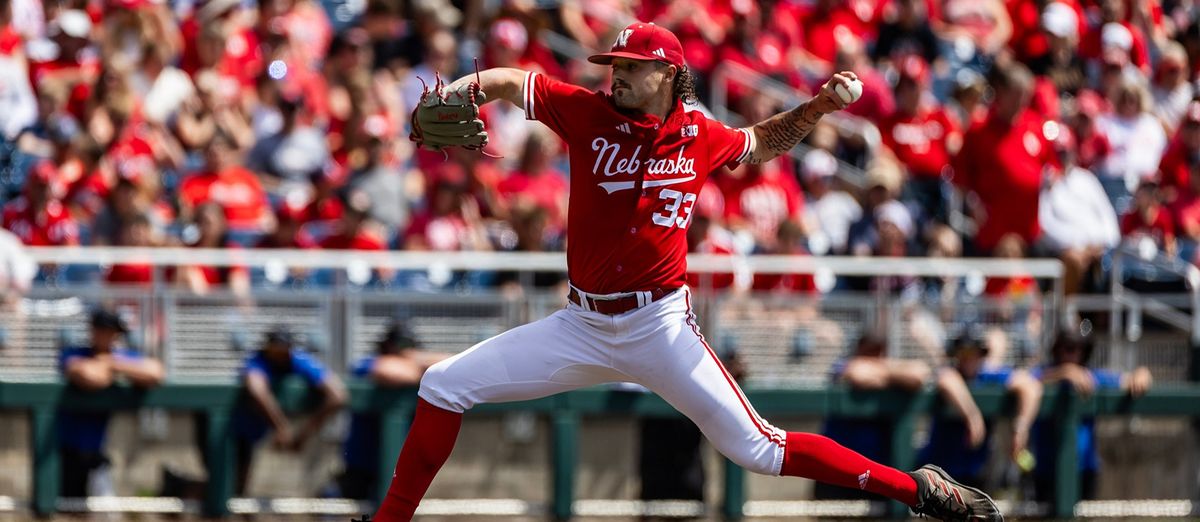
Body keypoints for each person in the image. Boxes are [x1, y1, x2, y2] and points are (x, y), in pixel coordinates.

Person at [360, 21, 1003, 522]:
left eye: (630, 67)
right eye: (613, 65)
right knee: (443, 384)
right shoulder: (585, 112)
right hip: (580, 325)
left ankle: (917, 489)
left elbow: (759, 143)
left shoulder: (698, 132)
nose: (616, 75)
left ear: (667, 73)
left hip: (659, 326)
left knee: (759, 449)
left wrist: (814, 109)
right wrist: (455, 94)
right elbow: (508, 80)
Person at [1031, 327, 1152, 502]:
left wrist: (1142, 374)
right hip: (1047, 470)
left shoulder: (1089, 376)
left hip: (1084, 470)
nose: (1072, 354)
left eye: (1079, 349)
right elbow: (1025, 381)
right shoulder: (1044, 373)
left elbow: (1129, 380)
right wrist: (1064, 372)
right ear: (1057, 349)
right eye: (1068, 348)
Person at [58, 309, 165, 497]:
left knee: (104, 508)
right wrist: (115, 369)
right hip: (65, 450)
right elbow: (90, 377)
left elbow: (156, 372)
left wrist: (112, 364)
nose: (110, 336)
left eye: (113, 332)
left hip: (99, 453)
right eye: (105, 331)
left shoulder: (117, 357)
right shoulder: (74, 352)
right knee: (66, 506)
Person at [229, 326, 347, 495]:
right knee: (232, 484)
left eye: (284, 349)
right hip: (237, 430)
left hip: (283, 433)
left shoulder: (297, 359)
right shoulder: (257, 360)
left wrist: (303, 433)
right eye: (276, 348)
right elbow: (256, 389)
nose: (280, 354)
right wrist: (282, 428)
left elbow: (338, 395)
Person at [338, 322, 449, 500]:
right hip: (362, 465)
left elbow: (451, 366)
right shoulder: (367, 364)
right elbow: (389, 372)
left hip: (402, 467)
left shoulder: (416, 363)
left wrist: (414, 359)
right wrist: (424, 371)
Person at [919, 333, 1042, 490]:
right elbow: (946, 379)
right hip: (938, 476)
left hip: (975, 475)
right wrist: (972, 416)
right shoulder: (950, 373)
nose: (968, 358)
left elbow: (1030, 386)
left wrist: (1021, 428)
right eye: (963, 353)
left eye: (973, 353)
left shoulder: (987, 377)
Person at [815, 333, 930, 501]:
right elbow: (857, 374)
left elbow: (918, 375)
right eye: (869, 353)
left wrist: (882, 374)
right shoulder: (842, 366)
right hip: (836, 471)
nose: (874, 358)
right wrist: (893, 379)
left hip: (875, 473)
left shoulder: (885, 370)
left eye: (878, 353)